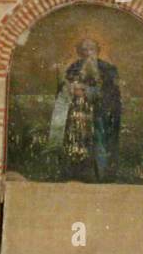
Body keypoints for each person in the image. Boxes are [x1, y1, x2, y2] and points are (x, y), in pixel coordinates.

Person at [48, 38, 121, 181]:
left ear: (97, 51)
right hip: (76, 115)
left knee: (98, 144)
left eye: (91, 49)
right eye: (84, 50)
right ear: (80, 52)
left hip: (98, 114)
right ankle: (74, 174)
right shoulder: (74, 67)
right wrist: (69, 89)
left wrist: (87, 92)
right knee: (74, 143)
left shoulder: (107, 68)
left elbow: (110, 92)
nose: (88, 53)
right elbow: (64, 89)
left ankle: (100, 176)